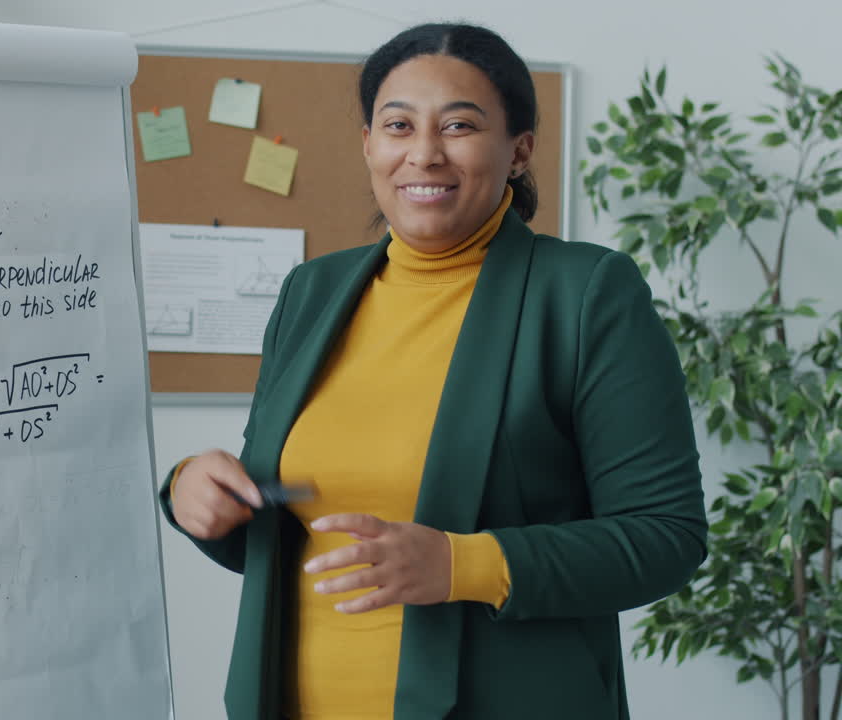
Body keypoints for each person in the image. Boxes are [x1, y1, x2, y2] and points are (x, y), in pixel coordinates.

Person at [157, 22, 708, 720]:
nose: (423, 152)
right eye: (397, 125)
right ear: (368, 145)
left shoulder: (586, 292)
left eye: (459, 125)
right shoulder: (311, 294)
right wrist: (196, 496)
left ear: (519, 151)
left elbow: (666, 538)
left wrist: (459, 565)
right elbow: (286, 537)